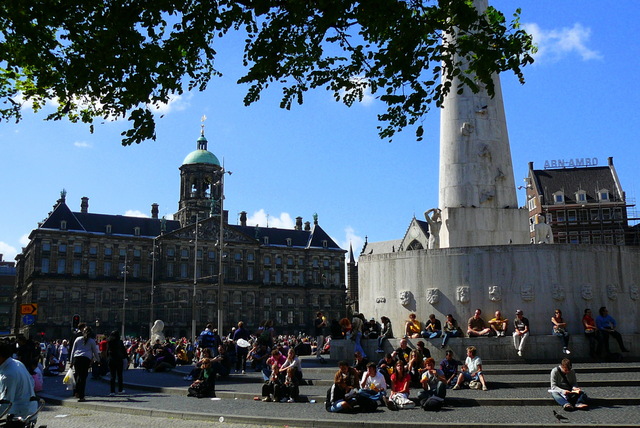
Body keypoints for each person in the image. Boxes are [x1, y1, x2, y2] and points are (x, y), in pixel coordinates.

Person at [0, 340, 38, 421]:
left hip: (20, 415)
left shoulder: (8, 374)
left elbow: (5, 404)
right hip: (31, 409)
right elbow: (32, 382)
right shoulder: (17, 363)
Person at [70, 326, 101, 402]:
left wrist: (71, 361)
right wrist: (98, 360)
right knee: (83, 377)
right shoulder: (91, 341)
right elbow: (95, 352)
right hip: (85, 359)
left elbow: (73, 351)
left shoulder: (77, 339)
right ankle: (81, 396)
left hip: (77, 358)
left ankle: (76, 391)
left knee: (78, 375)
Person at [106, 330, 128, 396]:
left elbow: (107, 351)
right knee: (119, 375)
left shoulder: (109, 342)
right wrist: (126, 357)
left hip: (111, 359)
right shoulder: (120, 342)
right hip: (119, 359)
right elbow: (123, 351)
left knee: (112, 376)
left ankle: (112, 391)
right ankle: (120, 390)